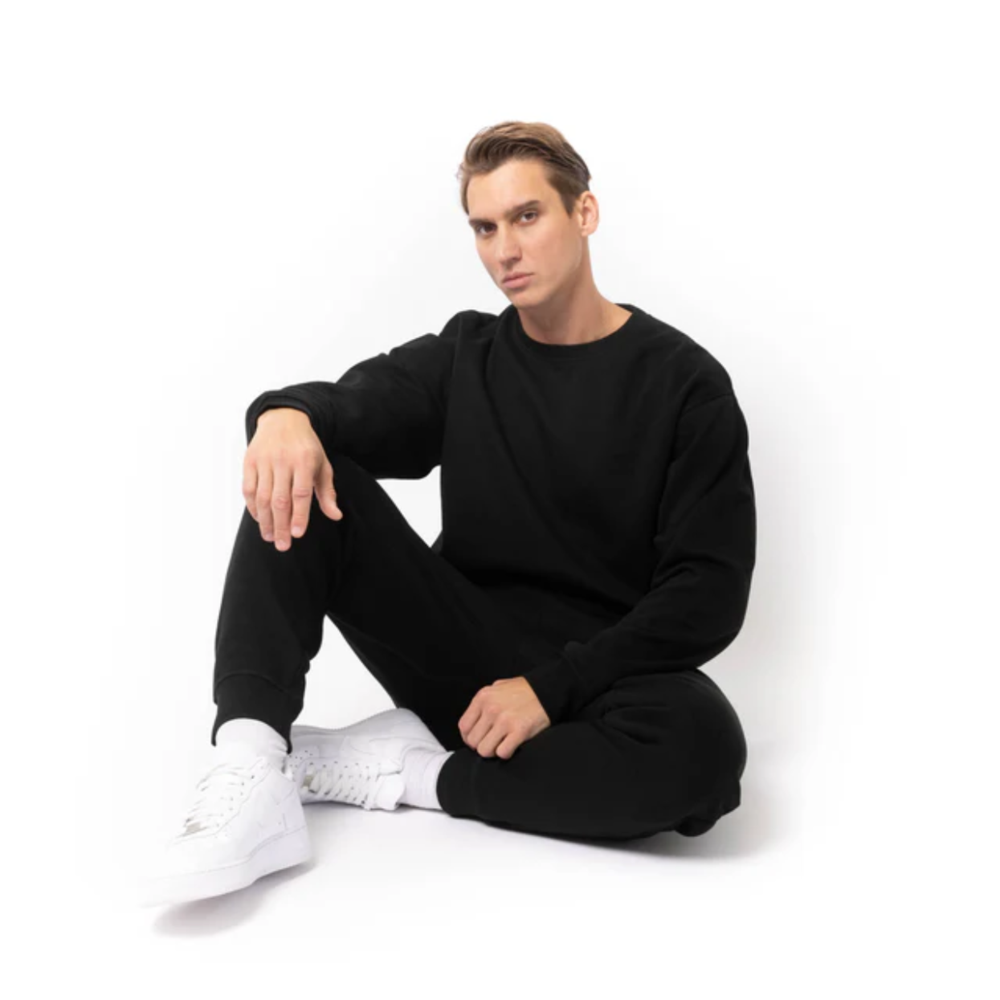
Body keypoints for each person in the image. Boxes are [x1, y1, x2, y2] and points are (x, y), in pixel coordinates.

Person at [139, 121, 756, 908]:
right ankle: (252, 764)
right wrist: (283, 413)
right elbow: (354, 405)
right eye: (485, 228)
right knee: (306, 471)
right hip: (459, 655)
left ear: (585, 213)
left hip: (594, 676)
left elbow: (708, 591)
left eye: (527, 216)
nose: (506, 250)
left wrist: (550, 688)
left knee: (704, 753)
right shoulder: (468, 356)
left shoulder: (684, 383)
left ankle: (410, 771)